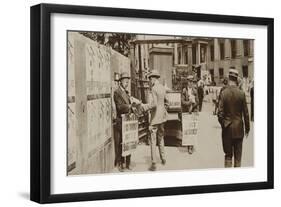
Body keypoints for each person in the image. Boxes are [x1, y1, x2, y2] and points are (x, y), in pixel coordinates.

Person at [217, 69, 250, 168]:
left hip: (227, 129)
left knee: (228, 156)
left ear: (228, 78)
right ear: (236, 79)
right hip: (239, 129)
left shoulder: (224, 93)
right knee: (238, 158)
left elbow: (219, 114)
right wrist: (247, 128)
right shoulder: (241, 93)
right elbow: (246, 113)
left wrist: (224, 124)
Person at [141, 69, 169, 171]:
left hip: (155, 118)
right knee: (161, 138)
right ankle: (163, 158)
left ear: (153, 78)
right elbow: (167, 102)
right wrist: (163, 110)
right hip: (162, 118)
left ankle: (153, 163)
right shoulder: (162, 88)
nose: (150, 81)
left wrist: (145, 107)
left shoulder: (153, 89)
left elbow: (154, 104)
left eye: (150, 79)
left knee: (153, 140)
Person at [113, 72, 133, 172]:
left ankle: (128, 163)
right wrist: (130, 106)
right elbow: (120, 107)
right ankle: (121, 163)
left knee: (128, 141)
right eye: (125, 81)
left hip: (127, 120)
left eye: (127, 81)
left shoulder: (127, 93)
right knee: (121, 142)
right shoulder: (117, 93)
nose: (127, 83)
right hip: (120, 121)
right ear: (120, 82)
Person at [181, 76, 199, 154]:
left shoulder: (195, 91)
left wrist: (193, 105)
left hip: (193, 112)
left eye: (192, 81)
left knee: (192, 129)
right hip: (186, 112)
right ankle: (188, 145)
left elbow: (198, 101)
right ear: (187, 82)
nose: (190, 83)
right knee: (187, 129)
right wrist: (189, 103)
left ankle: (191, 146)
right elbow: (182, 102)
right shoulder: (184, 91)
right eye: (189, 81)